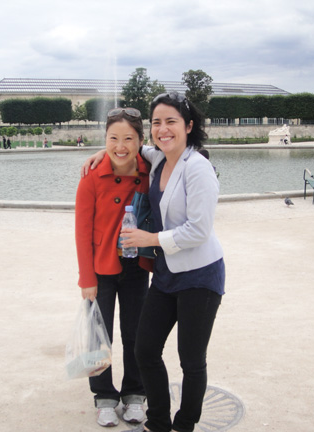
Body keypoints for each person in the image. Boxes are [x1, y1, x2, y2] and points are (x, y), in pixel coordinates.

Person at [83, 92, 225, 432]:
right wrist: (103, 152)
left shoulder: (198, 168)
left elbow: (199, 230)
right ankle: (157, 421)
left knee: (191, 361)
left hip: (200, 277)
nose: (163, 129)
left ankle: (183, 424)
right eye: (157, 122)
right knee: (146, 350)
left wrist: (151, 240)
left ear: (189, 126)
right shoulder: (159, 158)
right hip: (166, 275)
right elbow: (126, 148)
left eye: (171, 121)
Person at [75, 108, 153, 428]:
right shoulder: (91, 177)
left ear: (140, 141)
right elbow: (81, 232)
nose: (120, 146)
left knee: (135, 333)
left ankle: (134, 393)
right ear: (104, 140)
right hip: (101, 269)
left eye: (128, 139)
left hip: (137, 266)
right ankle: (104, 396)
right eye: (113, 139)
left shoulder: (151, 172)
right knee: (99, 335)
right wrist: (86, 278)